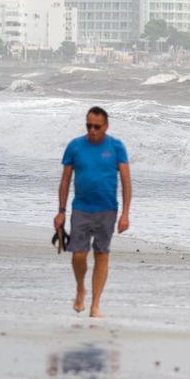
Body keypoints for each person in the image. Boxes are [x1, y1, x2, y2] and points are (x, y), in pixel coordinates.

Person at [53, 106, 132, 318]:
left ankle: (95, 305)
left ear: (106, 126)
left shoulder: (116, 147)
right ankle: (80, 287)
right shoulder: (75, 146)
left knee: (101, 254)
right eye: (89, 125)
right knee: (78, 255)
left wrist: (125, 214)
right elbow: (65, 180)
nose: (92, 130)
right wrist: (61, 211)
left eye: (97, 126)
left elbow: (126, 181)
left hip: (108, 210)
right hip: (81, 208)